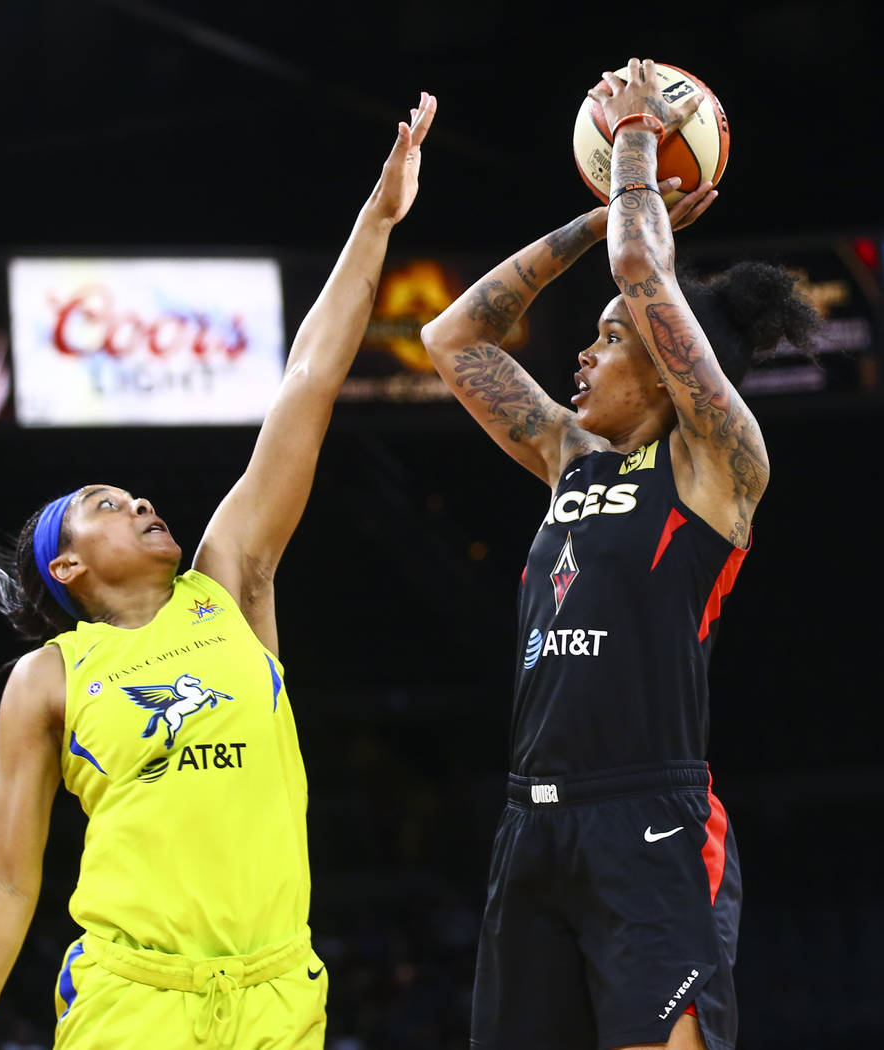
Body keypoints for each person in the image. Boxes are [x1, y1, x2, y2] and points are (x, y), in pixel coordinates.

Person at [0, 90, 436, 1050]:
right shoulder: (48, 677)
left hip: (278, 991)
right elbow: (6, 877)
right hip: (135, 1001)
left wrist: (376, 220)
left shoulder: (231, 580)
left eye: (132, 493)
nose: (136, 502)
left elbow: (306, 382)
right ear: (70, 565)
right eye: (103, 503)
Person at [421, 60, 818, 1050]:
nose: (581, 358)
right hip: (530, 821)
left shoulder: (716, 466)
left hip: (648, 819)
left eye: (606, 342)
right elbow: (453, 336)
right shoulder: (568, 457)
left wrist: (636, 140)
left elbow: (642, 276)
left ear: (673, 364)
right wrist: (593, 215)